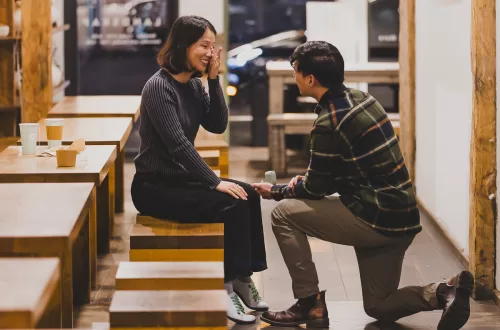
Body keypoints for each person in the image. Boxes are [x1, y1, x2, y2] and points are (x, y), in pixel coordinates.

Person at [252, 41, 473, 330]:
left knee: (283, 214)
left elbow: (316, 189)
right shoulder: (363, 98)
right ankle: (445, 292)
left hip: (374, 217)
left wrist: (278, 190)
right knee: (378, 307)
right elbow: (338, 172)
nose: (294, 79)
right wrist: (306, 183)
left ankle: (308, 303)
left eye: (295, 72)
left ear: (310, 79)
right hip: (402, 216)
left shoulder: (328, 121)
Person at [131, 15, 268, 324]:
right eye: (204, 45)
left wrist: (214, 80)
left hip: (181, 180)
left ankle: (244, 279)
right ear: (183, 45)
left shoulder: (193, 83)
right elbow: (179, 146)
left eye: (213, 46)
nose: (210, 52)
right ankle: (224, 286)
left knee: (248, 194)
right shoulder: (158, 87)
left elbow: (217, 125)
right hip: (154, 187)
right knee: (230, 203)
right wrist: (214, 181)